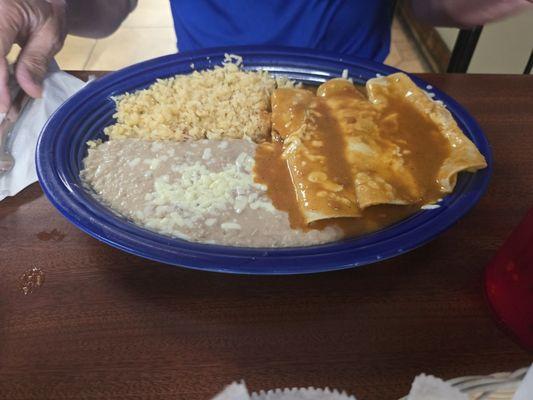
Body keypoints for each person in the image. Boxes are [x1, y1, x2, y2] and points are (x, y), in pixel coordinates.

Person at [0, 0, 531, 112]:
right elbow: (106, 13)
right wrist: (51, 4)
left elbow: (436, 6)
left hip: (355, 97)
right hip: (210, 101)